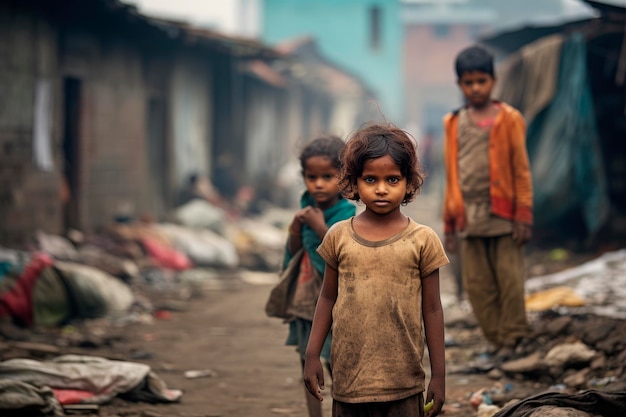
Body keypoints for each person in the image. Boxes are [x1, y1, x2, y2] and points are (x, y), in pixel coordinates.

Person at [303, 123, 449, 417]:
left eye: (392, 179)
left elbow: (432, 309)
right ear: (354, 183)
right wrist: (312, 355)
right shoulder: (338, 236)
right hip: (350, 380)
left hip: (404, 382)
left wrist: (439, 375)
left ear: (409, 183)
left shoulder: (422, 240)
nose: (381, 189)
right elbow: (328, 298)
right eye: (371, 179)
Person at [442, 45, 533, 360]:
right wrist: (449, 224)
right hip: (468, 214)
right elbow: (451, 175)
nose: (475, 88)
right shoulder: (453, 122)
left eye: (481, 81)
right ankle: (497, 340)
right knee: (477, 284)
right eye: (469, 82)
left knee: (509, 280)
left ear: (493, 81)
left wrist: (523, 215)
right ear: (460, 85)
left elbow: (521, 170)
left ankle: (514, 337)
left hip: (504, 214)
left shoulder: (509, 119)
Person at [284, 135, 356, 417]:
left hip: (337, 301)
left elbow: (343, 254)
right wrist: (294, 228)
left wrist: (318, 226)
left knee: (337, 363)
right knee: (307, 361)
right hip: (307, 299)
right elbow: (293, 252)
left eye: (328, 176)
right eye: (311, 177)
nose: (318, 184)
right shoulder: (305, 205)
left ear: (343, 176)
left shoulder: (346, 213)